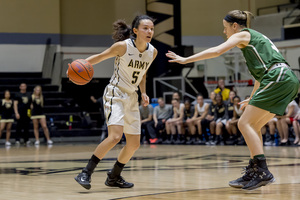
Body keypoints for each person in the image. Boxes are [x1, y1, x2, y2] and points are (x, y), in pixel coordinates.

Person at [166, 10, 299, 190]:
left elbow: (217, 50)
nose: (224, 32)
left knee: (243, 123)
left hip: (278, 77)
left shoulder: (243, 34)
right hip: (284, 79)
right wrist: (252, 98)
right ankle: (254, 169)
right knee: (254, 125)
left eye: (225, 28)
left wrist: (186, 59)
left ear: (234, 26)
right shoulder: (254, 42)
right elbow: (260, 77)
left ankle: (262, 171)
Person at [74, 15, 157, 190]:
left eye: (151, 29)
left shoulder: (152, 51)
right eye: (145, 28)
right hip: (116, 93)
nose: (149, 31)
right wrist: (79, 65)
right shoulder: (123, 46)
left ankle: (114, 176)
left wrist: (143, 92)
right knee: (115, 137)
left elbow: (143, 74)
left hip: (132, 97)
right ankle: (85, 172)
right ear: (135, 31)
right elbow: (100, 57)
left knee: (134, 144)